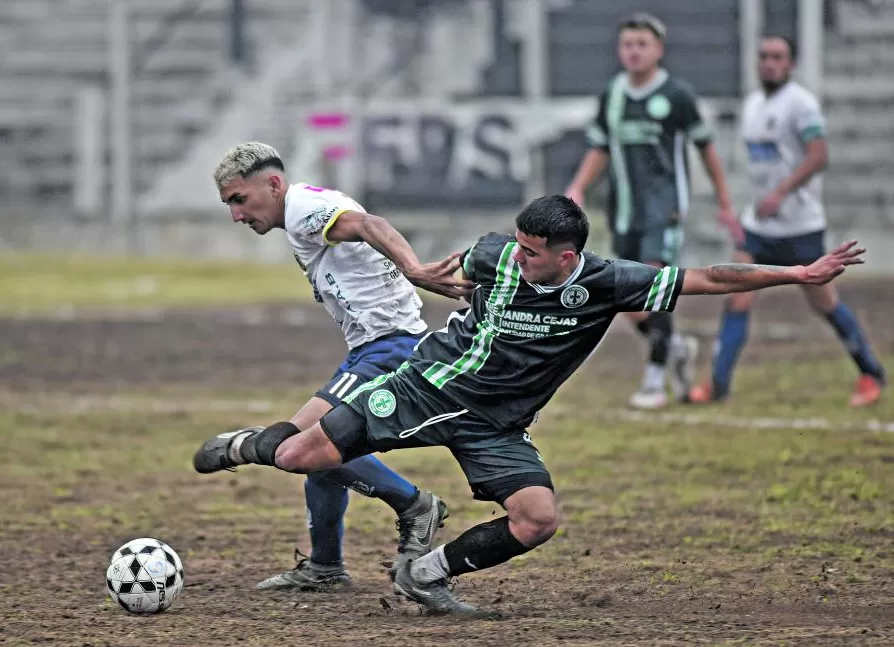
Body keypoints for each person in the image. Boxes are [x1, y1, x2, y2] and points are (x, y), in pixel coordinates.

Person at [193, 194, 865, 614]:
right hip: (429, 385)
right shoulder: (496, 256)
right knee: (297, 452)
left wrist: (798, 274)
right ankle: (244, 445)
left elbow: (710, 275)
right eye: (515, 242)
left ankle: (424, 572)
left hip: (497, 423)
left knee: (537, 517)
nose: (516, 255)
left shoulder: (606, 282)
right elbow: (456, 271)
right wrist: (446, 280)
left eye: (532, 250)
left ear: (567, 256)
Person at [207, 142, 472, 591]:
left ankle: (414, 505)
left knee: (291, 444)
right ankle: (326, 566)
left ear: (272, 184)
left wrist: (413, 270)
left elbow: (372, 224)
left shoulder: (303, 207)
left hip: (389, 348)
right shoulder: (302, 209)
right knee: (317, 451)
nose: (236, 215)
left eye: (239, 199)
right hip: (372, 348)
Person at [685, 35, 885, 407]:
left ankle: (871, 374)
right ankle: (718, 385)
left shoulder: (801, 104)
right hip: (758, 227)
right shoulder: (753, 105)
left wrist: (781, 192)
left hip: (799, 226)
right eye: (763, 56)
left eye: (777, 57)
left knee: (824, 303)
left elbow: (818, 155)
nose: (769, 63)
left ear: (790, 64)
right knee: (735, 298)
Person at [564, 12, 744, 409]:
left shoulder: (676, 95)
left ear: (658, 50)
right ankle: (675, 345)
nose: (634, 51)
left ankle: (654, 378)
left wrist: (725, 201)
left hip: (664, 209)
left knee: (653, 284)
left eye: (642, 44)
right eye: (628, 44)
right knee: (625, 297)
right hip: (623, 209)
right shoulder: (613, 93)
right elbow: (600, 147)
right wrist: (577, 186)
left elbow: (706, 147)